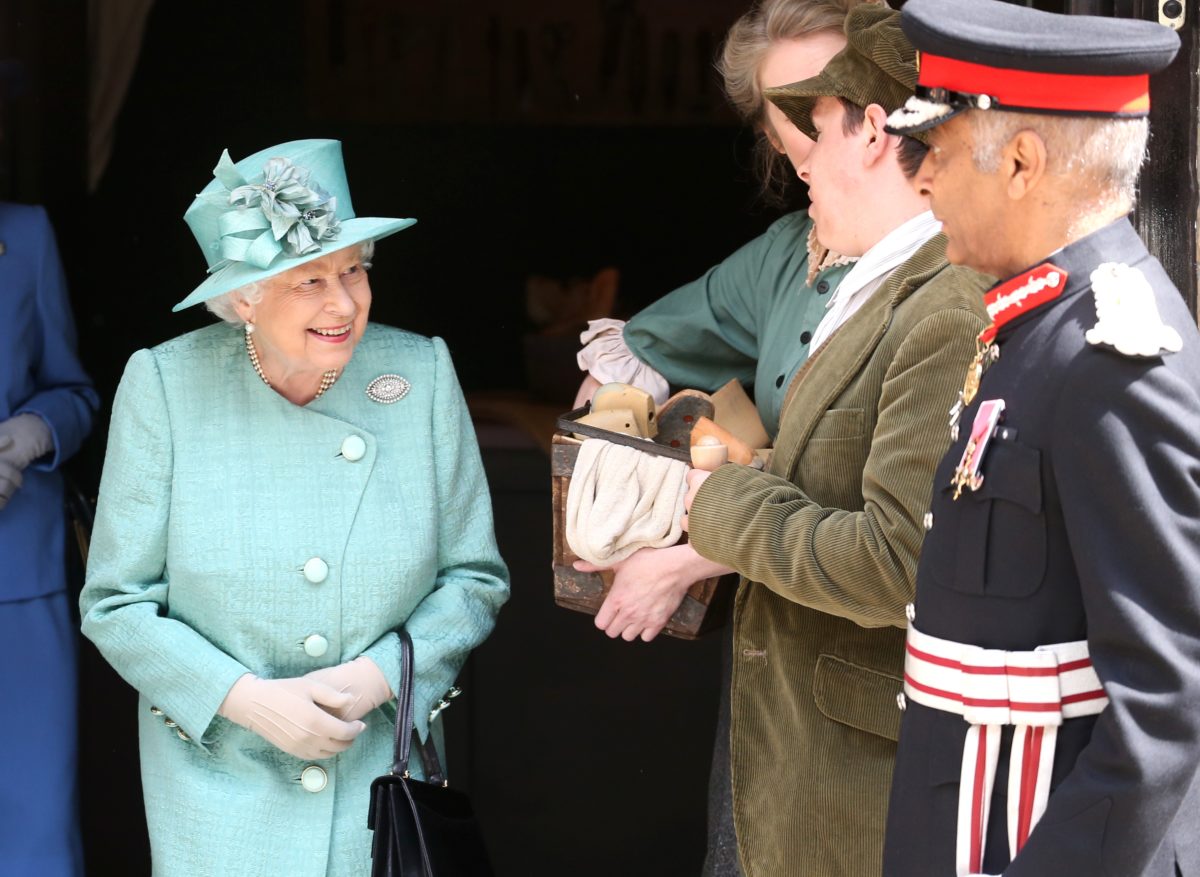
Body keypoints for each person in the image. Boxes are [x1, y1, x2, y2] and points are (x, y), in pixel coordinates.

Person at [79, 139, 509, 876]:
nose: (343, 302)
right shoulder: (164, 387)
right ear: (245, 296)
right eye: (308, 280)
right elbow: (116, 603)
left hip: (378, 786)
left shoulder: (422, 371)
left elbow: (473, 578)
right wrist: (248, 700)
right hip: (219, 794)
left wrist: (378, 678)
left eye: (353, 269)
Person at [878, 1, 1200, 875]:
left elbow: (1168, 700)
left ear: (1021, 161)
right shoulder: (1040, 328)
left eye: (935, 153)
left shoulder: (1113, 356)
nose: (921, 182)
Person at [674, 6, 992, 875]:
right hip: (784, 750)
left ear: (875, 131)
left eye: (810, 142)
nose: (799, 170)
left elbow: (900, 563)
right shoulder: (873, 279)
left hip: (855, 783)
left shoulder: (947, 302)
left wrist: (724, 503)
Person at [0, 199, 98, 877]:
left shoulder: (23, 233)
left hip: (16, 576)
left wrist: (32, 432)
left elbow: (75, 392)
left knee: (35, 827)